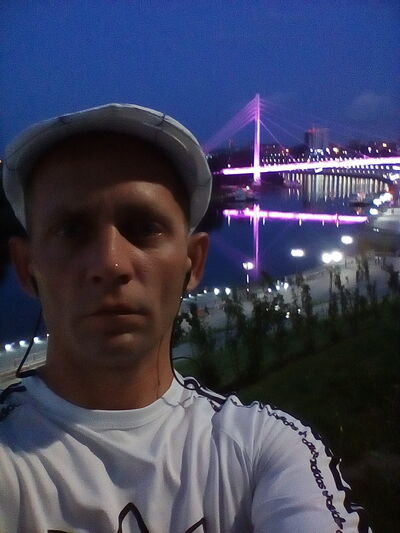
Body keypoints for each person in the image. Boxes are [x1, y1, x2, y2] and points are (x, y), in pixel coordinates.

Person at [1, 104, 371, 532]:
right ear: (27, 267)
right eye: (71, 231)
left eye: (144, 228)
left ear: (193, 262)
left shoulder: (262, 451)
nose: (111, 263)